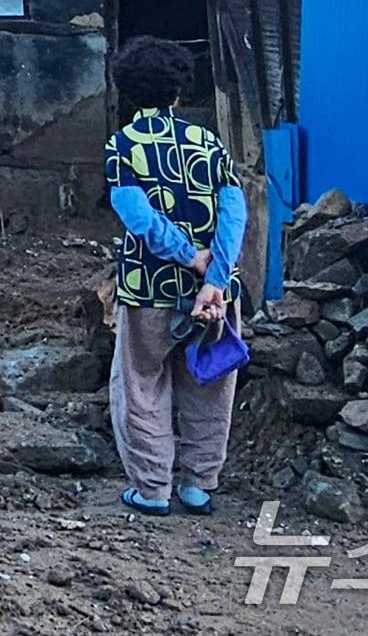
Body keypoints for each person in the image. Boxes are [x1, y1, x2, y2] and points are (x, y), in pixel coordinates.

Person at [104, 36, 247, 517]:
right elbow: (234, 211)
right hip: (213, 293)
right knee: (210, 382)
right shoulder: (209, 143)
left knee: (141, 384)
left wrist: (187, 255)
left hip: (147, 286)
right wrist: (216, 274)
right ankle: (198, 486)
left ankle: (152, 490)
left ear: (126, 92)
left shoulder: (122, 145)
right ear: (178, 93)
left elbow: (136, 216)